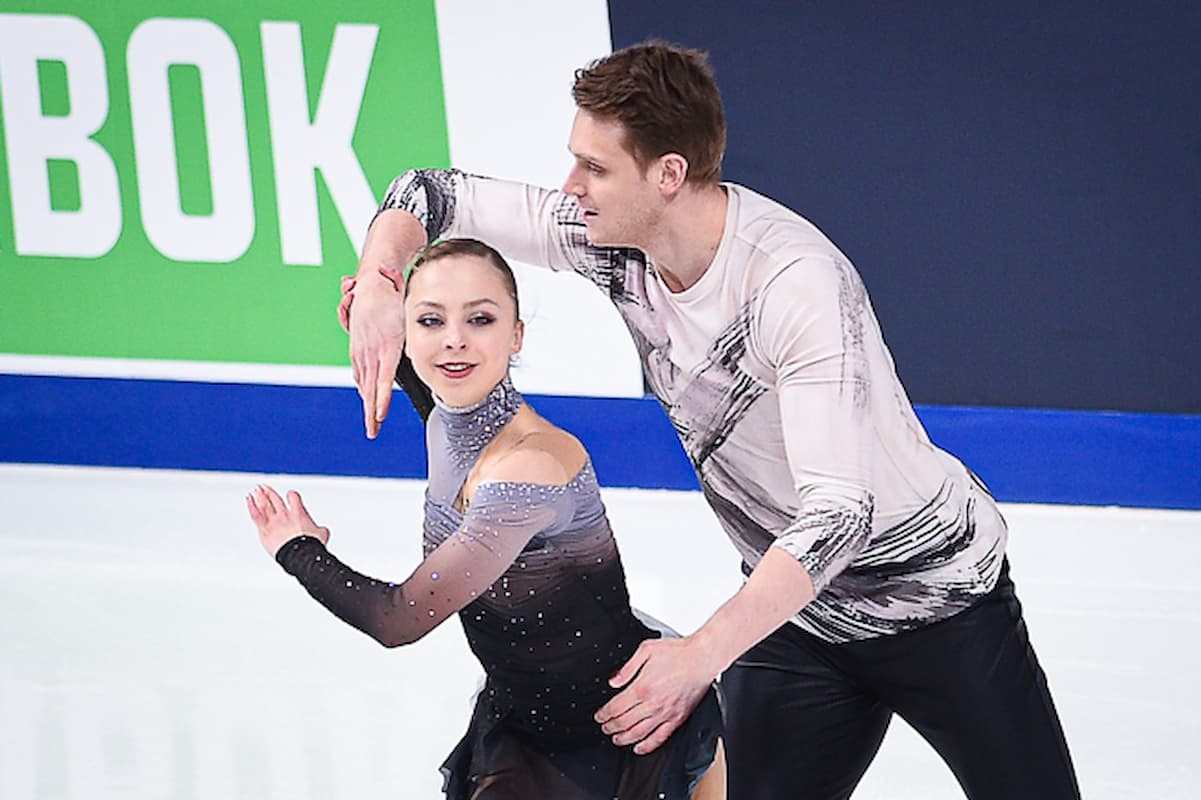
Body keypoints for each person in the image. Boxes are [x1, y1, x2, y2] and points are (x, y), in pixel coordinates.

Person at [340, 41, 1081, 800]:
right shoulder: (614, 244)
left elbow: (838, 516)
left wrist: (698, 655)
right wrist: (378, 281)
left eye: (594, 168)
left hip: (938, 602)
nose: (570, 187)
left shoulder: (794, 286)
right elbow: (426, 193)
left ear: (667, 175)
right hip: (800, 624)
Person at [249, 238, 725, 799]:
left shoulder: (530, 467)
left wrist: (298, 550)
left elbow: (397, 619)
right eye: (430, 320)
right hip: (522, 725)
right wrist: (371, 321)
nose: (454, 340)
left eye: (480, 319)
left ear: (516, 333)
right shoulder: (454, 415)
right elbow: (440, 400)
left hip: (631, 727)